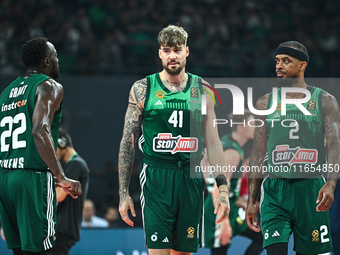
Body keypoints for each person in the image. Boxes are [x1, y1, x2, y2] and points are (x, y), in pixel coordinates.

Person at [118, 25, 230, 255]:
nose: (172, 55)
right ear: (159, 53)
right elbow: (127, 141)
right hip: (157, 175)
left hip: (190, 175)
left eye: (177, 50)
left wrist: (223, 190)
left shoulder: (203, 89)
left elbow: (214, 142)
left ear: (186, 52)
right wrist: (123, 193)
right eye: (167, 50)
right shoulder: (142, 88)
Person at [246, 41, 340, 255]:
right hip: (275, 190)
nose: (279, 66)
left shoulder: (325, 101)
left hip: (311, 188)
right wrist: (253, 200)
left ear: (302, 65)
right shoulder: (264, 103)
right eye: (277, 61)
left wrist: (331, 183)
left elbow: (335, 146)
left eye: (286, 61)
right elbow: (258, 153)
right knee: (276, 250)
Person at [0, 37, 82, 255]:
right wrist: (61, 176)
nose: (58, 60)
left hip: (5, 177)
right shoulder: (49, 86)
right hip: (32, 177)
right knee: (42, 251)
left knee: (20, 251)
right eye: (55, 56)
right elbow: (40, 130)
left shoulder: (6, 92)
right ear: (46, 61)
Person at [203, 110, 263, 255]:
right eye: (253, 123)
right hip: (219, 208)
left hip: (223, 204)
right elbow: (219, 186)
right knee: (221, 247)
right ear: (241, 126)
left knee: (260, 237)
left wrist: (209, 182)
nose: (257, 127)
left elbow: (203, 157)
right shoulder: (233, 152)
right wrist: (224, 222)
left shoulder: (225, 141)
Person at [50, 128, 90, 255]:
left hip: (64, 227)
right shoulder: (74, 165)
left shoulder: (76, 164)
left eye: (53, 147)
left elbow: (60, 196)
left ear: (62, 144)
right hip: (65, 227)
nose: (52, 153)